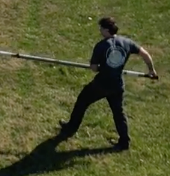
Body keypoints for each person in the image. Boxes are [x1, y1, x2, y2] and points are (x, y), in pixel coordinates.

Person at [58, 17, 158, 150]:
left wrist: (100, 67)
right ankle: (124, 142)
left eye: (101, 28)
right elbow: (145, 54)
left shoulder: (101, 45)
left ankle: (71, 128)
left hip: (102, 84)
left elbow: (93, 68)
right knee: (118, 112)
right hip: (117, 85)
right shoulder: (126, 42)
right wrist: (151, 70)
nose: (99, 30)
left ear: (106, 30)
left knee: (82, 100)